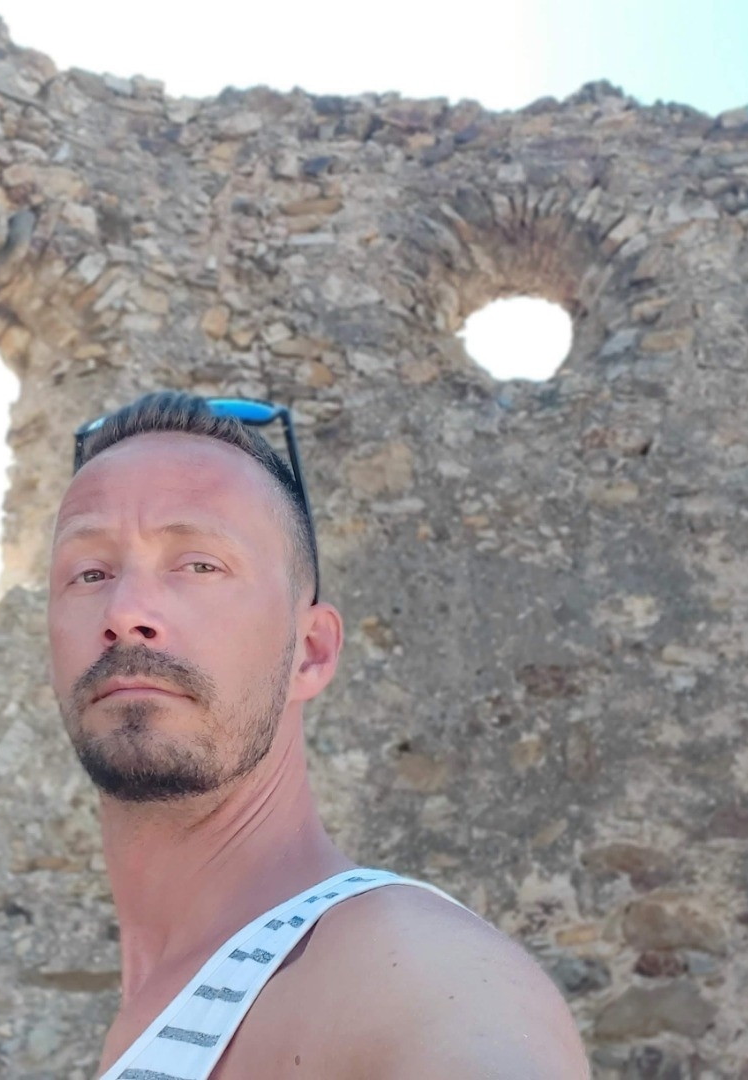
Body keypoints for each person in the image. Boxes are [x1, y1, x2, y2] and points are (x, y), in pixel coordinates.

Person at [48, 391, 589, 1079]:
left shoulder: (407, 973)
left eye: (199, 564)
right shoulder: (155, 998)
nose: (125, 611)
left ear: (310, 652)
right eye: (90, 573)